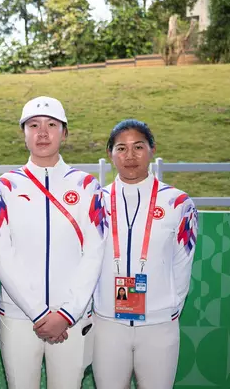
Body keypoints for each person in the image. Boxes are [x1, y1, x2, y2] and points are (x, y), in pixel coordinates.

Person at [0, 96, 108, 389]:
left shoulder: (87, 185)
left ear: (64, 133)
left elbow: (94, 252)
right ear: (23, 133)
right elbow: (1, 255)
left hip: (73, 317)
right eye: (34, 125)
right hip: (19, 315)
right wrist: (39, 312)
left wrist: (67, 312)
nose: (42, 132)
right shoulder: (5, 187)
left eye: (52, 125)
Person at [92, 119, 198, 389]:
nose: (130, 156)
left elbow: (183, 262)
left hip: (159, 325)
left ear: (152, 149)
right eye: (121, 148)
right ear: (110, 154)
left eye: (138, 147)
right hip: (107, 324)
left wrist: (170, 308)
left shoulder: (178, 203)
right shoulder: (96, 202)